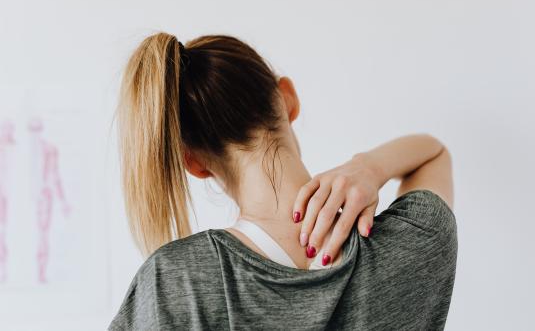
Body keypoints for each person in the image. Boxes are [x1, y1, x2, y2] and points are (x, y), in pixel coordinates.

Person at [109, 32, 457, 330]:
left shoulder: (176, 280)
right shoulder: (414, 241)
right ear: (288, 98)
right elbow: (434, 152)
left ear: (194, 163)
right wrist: (370, 167)